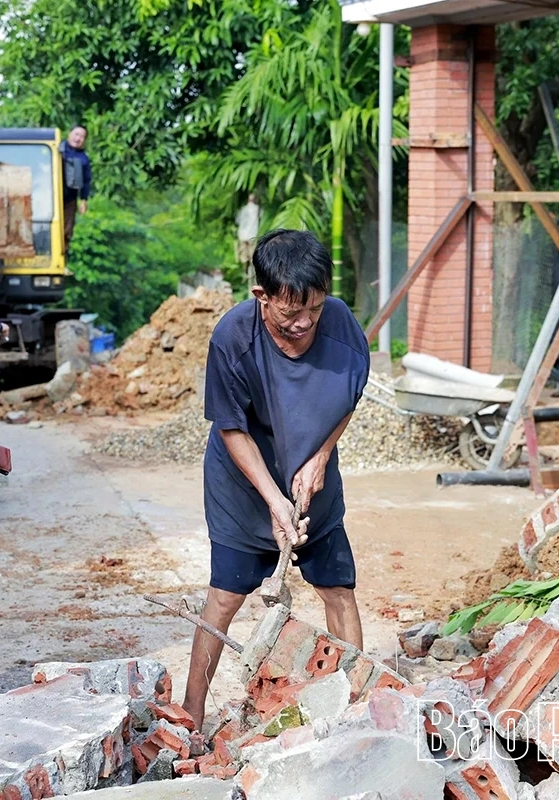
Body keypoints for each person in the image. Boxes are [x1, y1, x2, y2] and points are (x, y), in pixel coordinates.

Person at [180, 229, 370, 732]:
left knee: (338, 588)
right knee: (224, 597)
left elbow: (346, 397)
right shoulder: (233, 338)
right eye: (289, 313)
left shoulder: (342, 327)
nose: (303, 323)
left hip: (313, 480)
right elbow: (230, 428)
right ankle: (190, 715)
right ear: (261, 296)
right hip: (242, 486)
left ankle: (352, 707)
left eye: (314, 308)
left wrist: (322, 455)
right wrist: (272, 499)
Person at [60, 125, 92, 253]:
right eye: (76, 134)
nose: (78, 138)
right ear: (69, 134)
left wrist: (83, 200)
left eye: (82, 136)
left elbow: (86, 180)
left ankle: (62, 259)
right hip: (49, 196)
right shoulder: (58, 148)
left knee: (67, 230)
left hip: (70, 199)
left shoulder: (83, 158)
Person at [235, 193, 261, 282]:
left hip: (242, 235)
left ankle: (245, 271)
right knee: (252, 254)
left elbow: (237, 221)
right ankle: (253, 273)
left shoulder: (243, 209)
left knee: (243, 254)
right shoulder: (258, 209)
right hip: (252, 235)